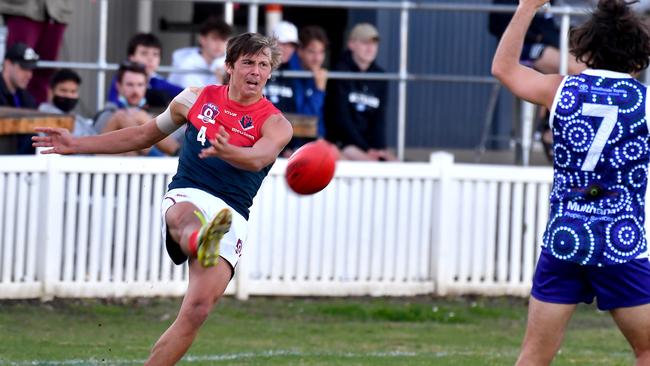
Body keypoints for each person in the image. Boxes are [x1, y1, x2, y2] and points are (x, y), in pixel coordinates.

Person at [32, 32, 292, 365]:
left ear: (270, 72)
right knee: (182, 217)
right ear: (229, 66)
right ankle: (199, 239)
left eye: (263, 65)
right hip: (191, 191)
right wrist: (77, 145)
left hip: (232, 213)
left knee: (197, 311)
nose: (255, 71)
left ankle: (203, 240)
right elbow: (143, 135)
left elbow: (259, 157)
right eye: (247, 63)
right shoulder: (194, 99)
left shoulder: (276, 123)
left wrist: (230, 151)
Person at [492, 1, 650, 364]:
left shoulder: (560, 90)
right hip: (619, 240)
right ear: (640, 59)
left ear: (585, 51)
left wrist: (526, 7)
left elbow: (503, 69)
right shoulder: (644, 103)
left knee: (533, 356)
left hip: (567, 236)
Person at [324, 23, 396, 161]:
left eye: (374, 44)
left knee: (397, 167)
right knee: (372, 166)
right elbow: (342, 119)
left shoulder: (380, 76)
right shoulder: (339, 73)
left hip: (369, 145)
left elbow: (379, 119)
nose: (370, 48)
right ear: (351, 44)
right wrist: (366, 149)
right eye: (365, 43)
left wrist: (378, 147)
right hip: (344, 142)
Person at [96, 61, 180, 156]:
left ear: (145, 86)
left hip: (150, 167)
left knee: (141, 118)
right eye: (130, 85)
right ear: (118, 86)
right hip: (111, 167)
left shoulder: (154, 114)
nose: (135, 90)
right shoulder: (106, 115)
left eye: (140, 85)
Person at [0, 0, 72, 104]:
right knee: (19, 66)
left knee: (45, 72)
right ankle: (11, 111)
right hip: (23, 8)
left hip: (57, 11)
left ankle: (36, 114)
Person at [108, 33, 184, 109]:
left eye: (155, 54)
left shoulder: (157, 81)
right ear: (131, 57)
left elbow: (184, 94)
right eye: (144, 53)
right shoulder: (122, 80)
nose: (150, 58)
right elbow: (114, 106)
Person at [167, 17, 232, 88]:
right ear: (202, 39)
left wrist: (225, 80)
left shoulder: (231, 64)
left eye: (223, 39)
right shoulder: (186, 64)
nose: (219, 44)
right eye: (215, 39)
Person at [0, 43, 39, 154]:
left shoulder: (27, 98)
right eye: (24, 68)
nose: (29, 75)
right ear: (7, 64)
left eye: (31, 69)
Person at [38, 68, 95, 137]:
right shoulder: (43, 117)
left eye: (73, 91)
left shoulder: (78, 119)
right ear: (51, 92)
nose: (68, 95)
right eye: (63, 90)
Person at [263, 20, 300, 112]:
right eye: (283, 44)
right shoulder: (257, 69)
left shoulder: (297, 73)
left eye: (291, 45)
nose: (287, 49)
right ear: (271, 43)